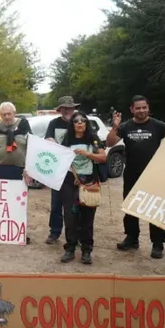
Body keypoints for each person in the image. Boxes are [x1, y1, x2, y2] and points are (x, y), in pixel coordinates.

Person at [106, 95, 165, 259]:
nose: (141, 110)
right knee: (130, 208)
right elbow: (109, 143)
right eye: (138, 108)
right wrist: (115, 126)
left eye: (144, 107)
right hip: (132, 174)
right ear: (132, 109)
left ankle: (158, 243)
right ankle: (132, 238)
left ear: (148, 108)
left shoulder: (160, 126)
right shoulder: (126, 126)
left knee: (155, 209)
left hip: (154, 174)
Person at [59, 113, 106, 265]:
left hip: (89, 183)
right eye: (76, 121)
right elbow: (58, 159)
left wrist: (88, 154)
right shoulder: (67, 140)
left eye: (83, 120)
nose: (79, 123)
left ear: (86, 123)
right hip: (70, 182)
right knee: (70, 218)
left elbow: (103, 157)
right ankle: (70, 249)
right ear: (72, 124)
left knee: (87, 218)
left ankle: (86, 251)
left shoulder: (93, 139)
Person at [43, 96, 80, 245]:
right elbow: (47, 139)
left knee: (75, 205)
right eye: (64, 108)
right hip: (58, 170)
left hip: (77, 170)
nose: (67, 111)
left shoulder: (80, 122)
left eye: (70, 108)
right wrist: (50, 141)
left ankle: (75, 235)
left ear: (74, 108)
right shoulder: (54, 123)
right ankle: (54, 232)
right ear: (60, 110)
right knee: (56, 203)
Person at [0, 103, 31, 182]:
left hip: (20, 169)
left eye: (9, 114)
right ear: (0, 115)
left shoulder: (23, 125)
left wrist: (29, 171)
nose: (7, 117)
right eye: (4, 114)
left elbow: (31, 148)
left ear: (14, 113)